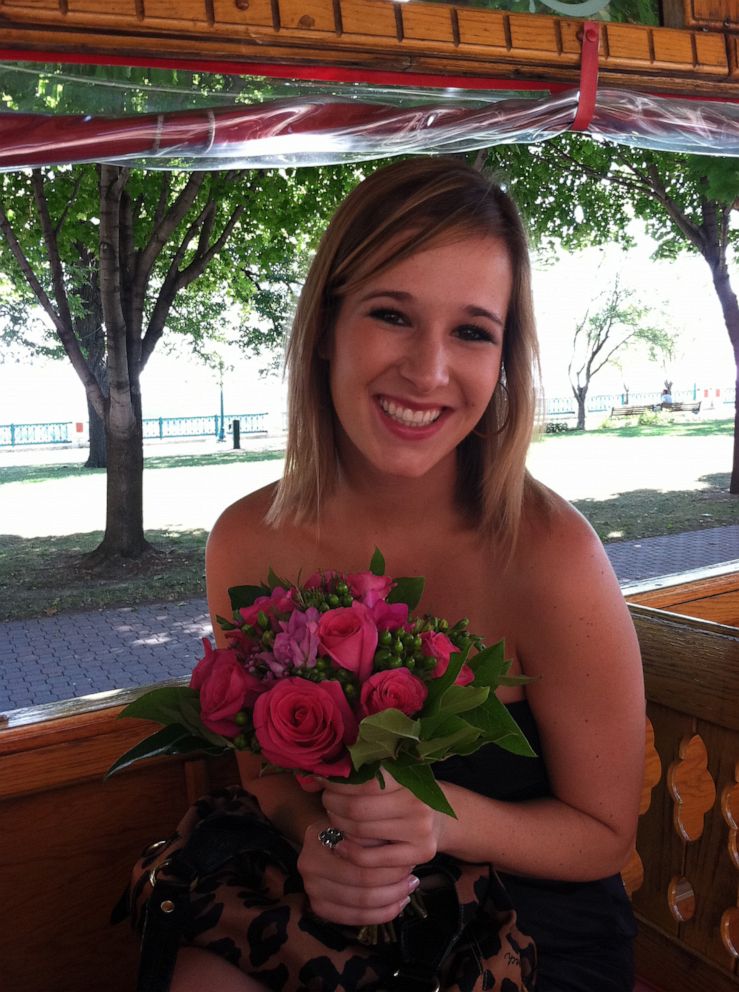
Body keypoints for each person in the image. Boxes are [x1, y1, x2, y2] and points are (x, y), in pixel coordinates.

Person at [173, 157, 645, 992]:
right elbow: (267, 775)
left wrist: (439, 817)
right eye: (392, 315)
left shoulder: (548, 554)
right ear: (325, 328)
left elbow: (602, 836)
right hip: (335, 899)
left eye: (471, 331)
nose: (428, 372)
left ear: (502, 358)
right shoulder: (248, 542)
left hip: (529, 929)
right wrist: (324, 848)